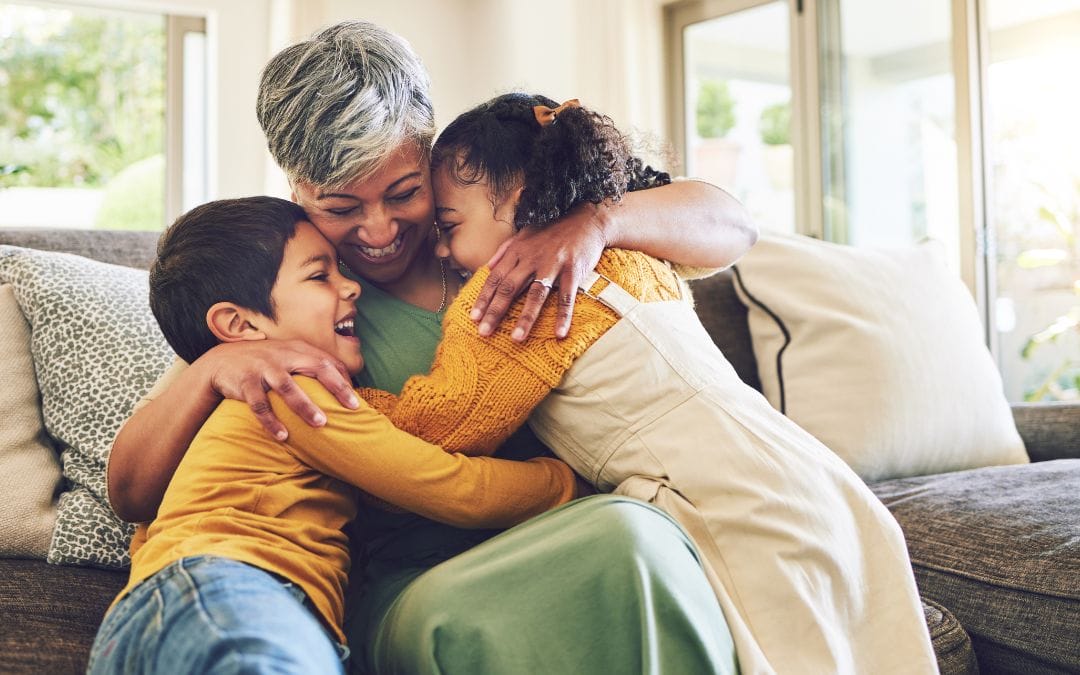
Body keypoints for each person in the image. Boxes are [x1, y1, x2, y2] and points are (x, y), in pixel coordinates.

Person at [106, 20, 754, 675]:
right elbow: (132, 490)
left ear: (428, 152)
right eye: (341, 207)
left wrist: (599, 222)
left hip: (562, 523)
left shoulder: (506, 218)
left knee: (652, 539)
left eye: (404, 193)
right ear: (297, 190)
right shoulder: (297, 302)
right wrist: (212, 367)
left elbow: (733, 226)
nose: (379, 230)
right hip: (416, 581)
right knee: (628, 537)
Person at [355, 92, 940, 674]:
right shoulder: (638, 254)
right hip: (813, 476)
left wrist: (336, 401)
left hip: (715, 497)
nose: (439, 246)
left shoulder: (518, 297)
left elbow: (446, 421)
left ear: (524, 201)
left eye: (449, 225)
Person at [88, 197, 584, 674]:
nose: (351, 288)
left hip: (193, 608)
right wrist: (569, 484)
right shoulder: (290, 390)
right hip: (225, 590)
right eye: (319, 275)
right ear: (238, 325)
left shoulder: (243, 393)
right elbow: (455, 487)